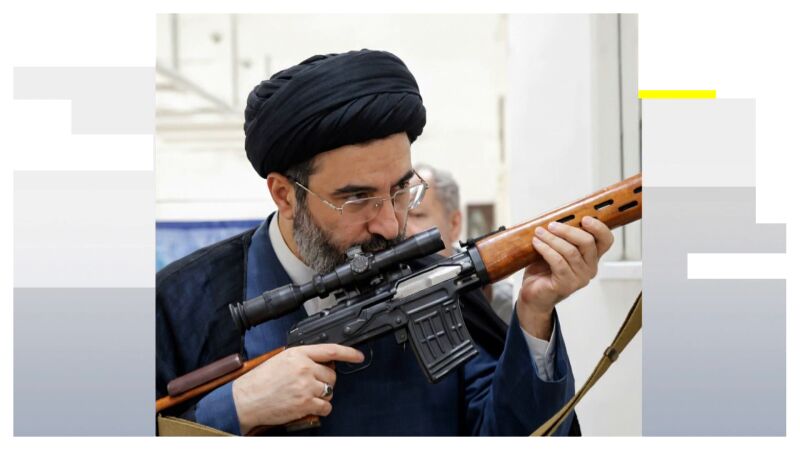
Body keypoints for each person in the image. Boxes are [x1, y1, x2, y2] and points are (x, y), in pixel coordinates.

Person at [156, 49, 614, 436]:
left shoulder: (435, 288)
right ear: (284, 195)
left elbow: (509, 434)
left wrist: (534, 315)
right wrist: (234, 408)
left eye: (400, 190)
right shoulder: (183, 303)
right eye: (357, 198)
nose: (391, 225)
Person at [405, 163, 515, 324]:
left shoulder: (503, 305)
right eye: (400, 218)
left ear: (454, 224)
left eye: (417, 215)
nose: (404, 231)